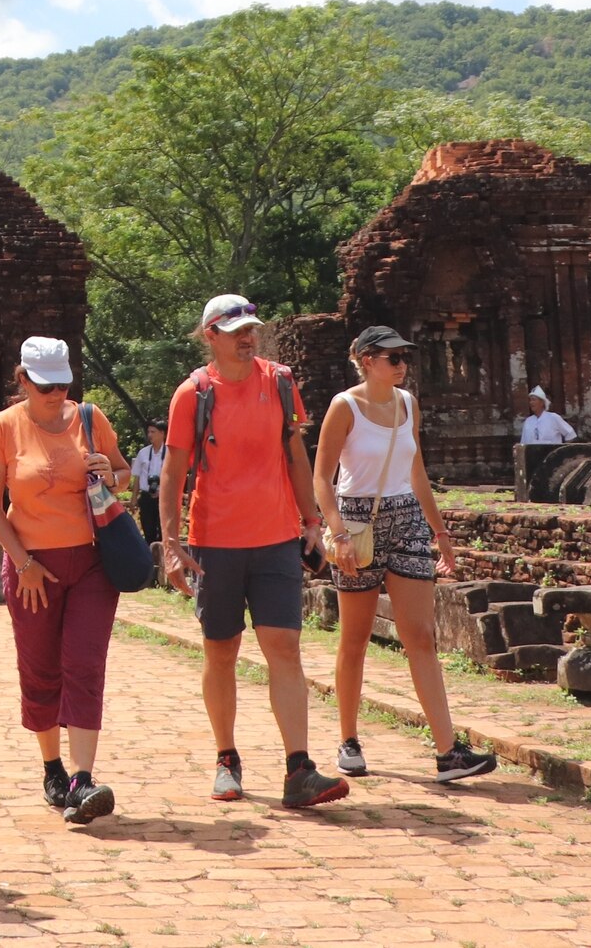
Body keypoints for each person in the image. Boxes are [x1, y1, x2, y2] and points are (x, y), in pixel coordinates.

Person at [156, 293, 344, 809]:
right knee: (221, 651)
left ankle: (298, 768)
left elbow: (295, 455)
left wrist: (312, 522)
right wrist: (172, 545)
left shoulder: (279, 382)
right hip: (215, 543)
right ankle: (226, 758)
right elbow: (172, 475)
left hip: (277, 539)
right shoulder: (192, 394)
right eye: (235, 329)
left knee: (283, 648)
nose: (247, 337)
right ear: (209, 335)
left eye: (251, 328)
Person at [315, 327, 497, 785]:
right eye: (392, 357)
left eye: (404, 357)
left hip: (408, 519)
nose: (401, 365)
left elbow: (416, 470)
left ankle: (447, 751)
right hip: (358, 522)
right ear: (365, 359)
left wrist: (440, 531)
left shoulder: (408, 404)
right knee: (355, 636)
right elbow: (322, 477)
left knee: (420, 636)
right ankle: (349, 739)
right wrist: (336, 534)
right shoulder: (346, 406)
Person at [0, 336, 128, 826]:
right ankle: (53, 767)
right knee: (41, 670)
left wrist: (112, 472)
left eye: (63, 384)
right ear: (22, 380)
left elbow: (124, 474)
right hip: (31, 566)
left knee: (84, 665)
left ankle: (84, 779)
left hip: (91, 561)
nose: (56, 393)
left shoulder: (89, 418)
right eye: (44, 386)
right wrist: (23, 562)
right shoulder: (2, 428)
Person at [129, 422, 168, 553]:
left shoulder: (170, 453)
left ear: (162, 433)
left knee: (163, 531)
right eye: (149, 432)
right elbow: (137, 477)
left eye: (153, 432)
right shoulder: (144, 453)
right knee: (148, 530)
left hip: (165, 497)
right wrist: (134, 498)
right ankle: (151, 562)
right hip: (146, 496)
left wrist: (162, 491)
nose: (150, 435)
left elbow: (176, 477)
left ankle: (163, 563)